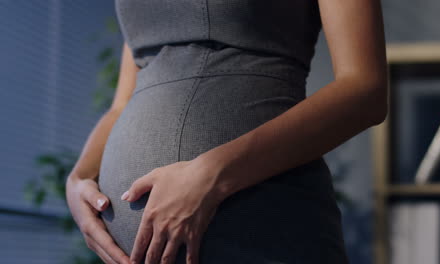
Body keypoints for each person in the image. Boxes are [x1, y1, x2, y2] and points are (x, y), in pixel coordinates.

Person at [65, 0, 388, 263]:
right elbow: (125, 100)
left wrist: (211, 175)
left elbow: (365, 90)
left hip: (264, 219)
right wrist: (80, 177)